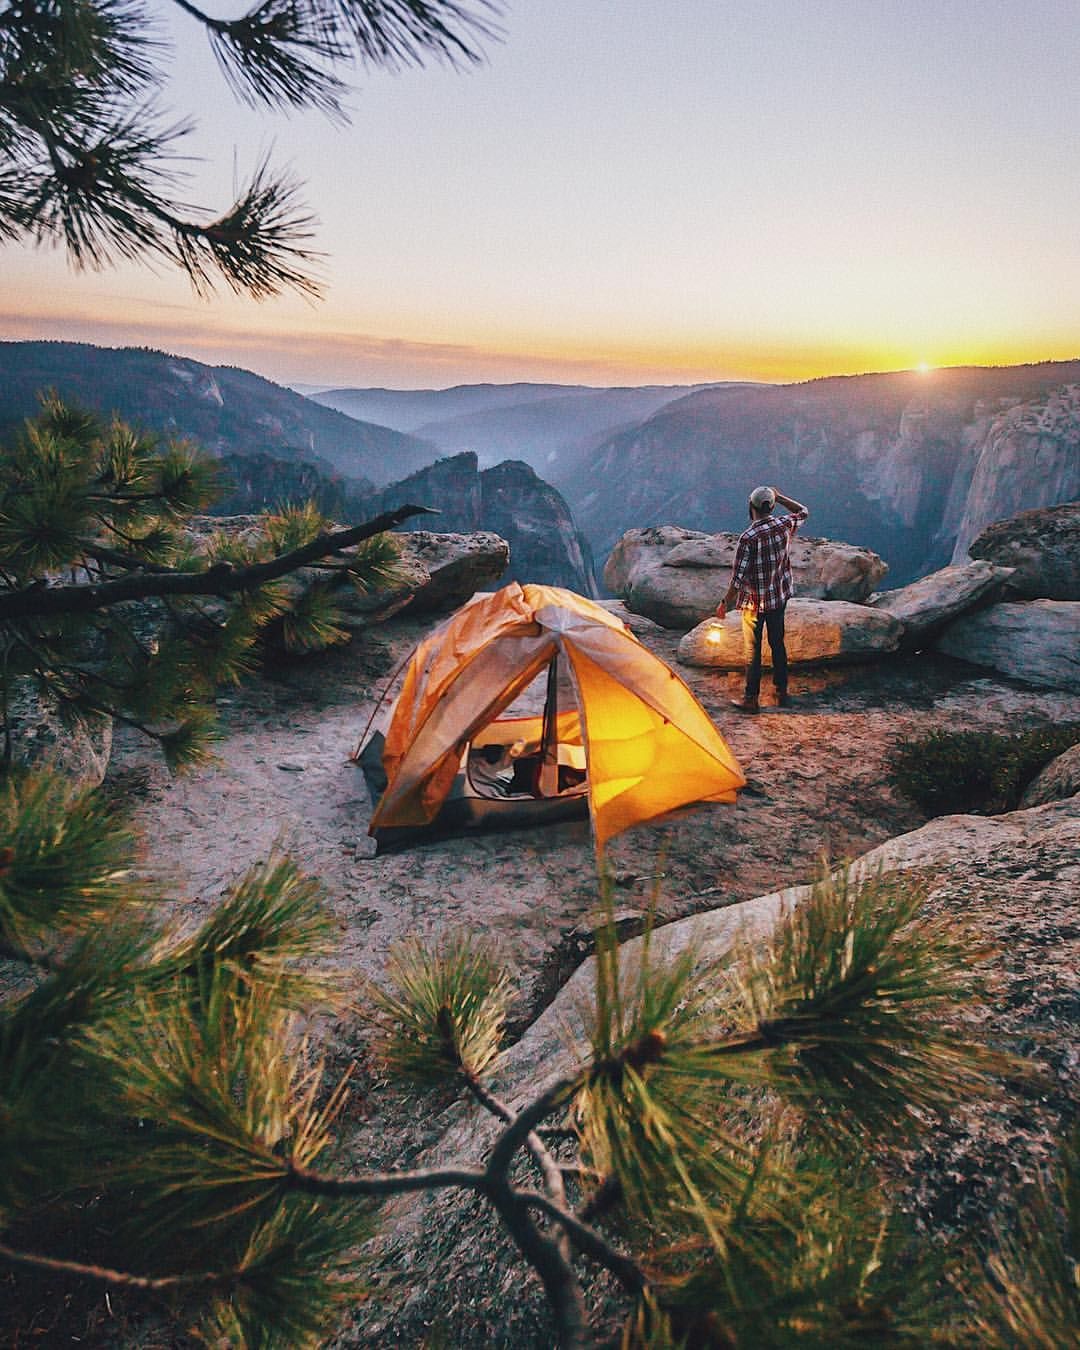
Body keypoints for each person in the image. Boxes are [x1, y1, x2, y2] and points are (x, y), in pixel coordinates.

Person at [716, 485, 809, 713]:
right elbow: (803, 511)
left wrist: (724, 602)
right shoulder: (784, 525)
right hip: (778, 598)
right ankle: (781, 693)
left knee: (753, 650)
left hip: (754, 604)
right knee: (778, 644)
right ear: (772, 506)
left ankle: (751, 699)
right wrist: (780, 496)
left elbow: (738, 579)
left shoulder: (748, 538)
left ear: (751, 506)